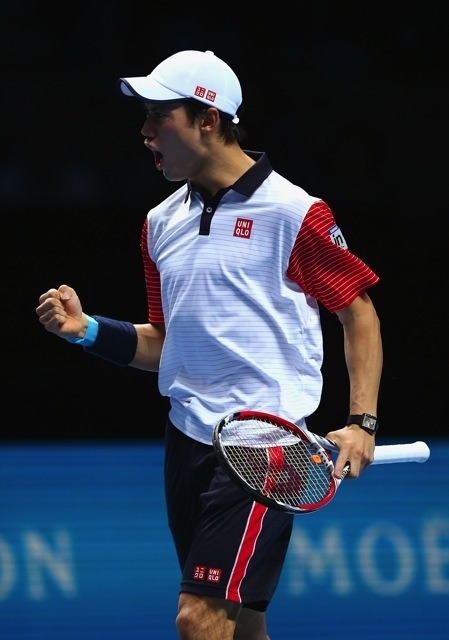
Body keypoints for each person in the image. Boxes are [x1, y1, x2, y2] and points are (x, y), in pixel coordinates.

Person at [35, 49, 383, 640]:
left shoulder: (294, 213)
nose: (144, 132)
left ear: (208, 119)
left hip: (265, 449)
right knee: (241, 625)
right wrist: (87, 331)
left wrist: (362, 423)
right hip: (188, 441)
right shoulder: (159, 223)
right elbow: (165, 345)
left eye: (157, 116)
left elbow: (358, 313)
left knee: (199, 619)